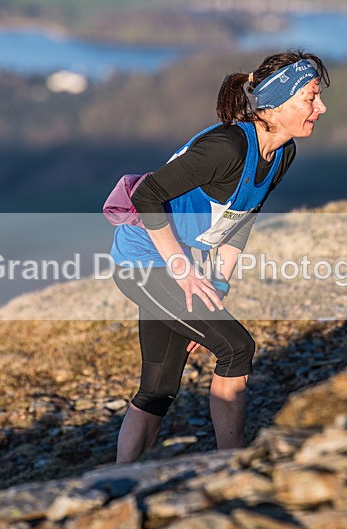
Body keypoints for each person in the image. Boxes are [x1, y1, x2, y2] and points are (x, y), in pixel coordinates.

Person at [108, 50, 328, 462]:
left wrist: (217, 287)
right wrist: (185, 274)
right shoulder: (226, 148)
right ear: (275, 105)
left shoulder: (281, 153)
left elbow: (241, 220)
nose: (321, 107)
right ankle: (232, 466)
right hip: (143, 262)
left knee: (158, 389)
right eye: (310, 98)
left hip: (179, 266)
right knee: (236, 349)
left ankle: (120, 478)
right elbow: (146, 195)